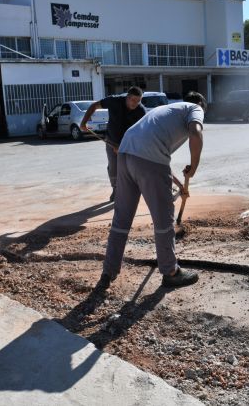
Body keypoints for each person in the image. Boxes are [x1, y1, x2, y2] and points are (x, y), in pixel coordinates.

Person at [98, 91, 207, 289]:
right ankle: (170, 272)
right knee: (163, 219)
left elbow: (153, 160)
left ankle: (108, 271)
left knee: (121, 218)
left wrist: (179, 183)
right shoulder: (194, 108)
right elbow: (196, 132)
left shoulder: (166, 109)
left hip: (125, 152)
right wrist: (194, 165)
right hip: (147, 157)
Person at [80, 86, 146, 201]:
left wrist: (126, 146)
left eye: (138, 101)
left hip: (129, 144)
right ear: (128, 97)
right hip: (112, 141)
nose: (136, 103)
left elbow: (142, 132)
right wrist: (84, 122)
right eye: (133, 100)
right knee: (114, 167)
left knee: (130, 167)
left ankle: (130, 189)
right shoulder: (114, 101)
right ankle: (115, 189)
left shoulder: (141, 111)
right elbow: (94, 106)